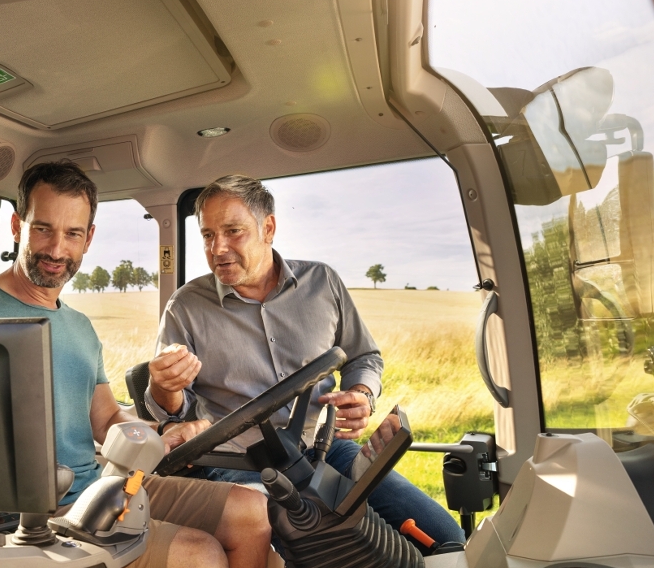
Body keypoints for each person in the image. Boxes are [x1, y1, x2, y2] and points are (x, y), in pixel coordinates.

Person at [0, 162, 271, 568]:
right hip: (30, 515)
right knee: (200, 560)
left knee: (250, 509)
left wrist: (163, 430)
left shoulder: (79, 328)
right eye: (43, 229)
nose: (56, 249)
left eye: (71, 234)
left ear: (88, 239)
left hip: (101, 488)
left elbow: (107, 419)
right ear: (19, 226)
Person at [145, 174, 465, 549]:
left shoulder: (323, 282)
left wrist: (362, 392)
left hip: (325, 450)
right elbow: (173, 414)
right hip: (237, 463)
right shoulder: (185, 306)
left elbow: (363, 355)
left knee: (443, 538)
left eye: (233, 231)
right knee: (310, 556)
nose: (218, 248)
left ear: (269, 228)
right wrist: (164, 386)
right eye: (207, 235)